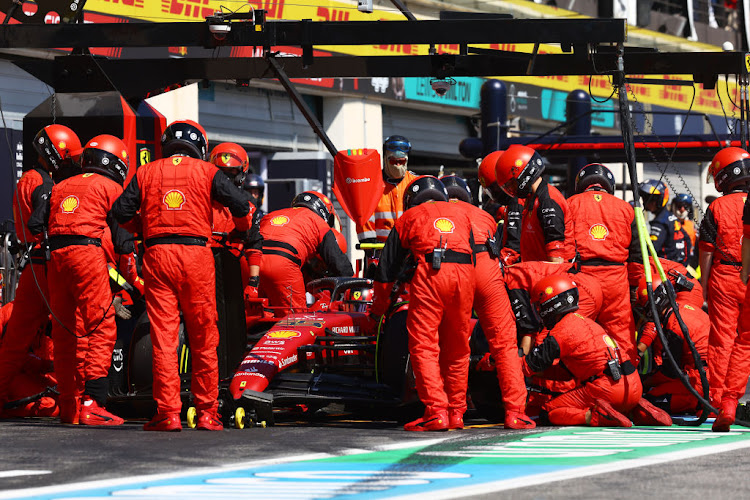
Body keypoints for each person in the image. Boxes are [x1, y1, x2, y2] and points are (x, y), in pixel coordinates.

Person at [112, 119, 257, 432]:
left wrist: (144, 230)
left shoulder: (145, 172)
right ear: (201, 147)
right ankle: (207, 413)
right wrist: (241, 233)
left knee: (164, 339)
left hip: (157, 255)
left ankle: (168, 414)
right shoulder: (208, 172)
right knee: (205, 337)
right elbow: (244, 207)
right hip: (196, 256)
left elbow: (120, 213)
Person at [28, 134, 131, 425]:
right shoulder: (110, 187)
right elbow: (123, 235)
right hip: (87, 253)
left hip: (55, 258)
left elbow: (35, 223)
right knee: (100, 325)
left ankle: (69, 408)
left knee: (64, 333)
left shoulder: (59, 186)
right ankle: (94, 403)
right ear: (116, 163)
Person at [371, 176, 476, 431]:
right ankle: (456, 412)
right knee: (458, 348)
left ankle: (436, 412)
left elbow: (386, 271)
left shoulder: (409, 217)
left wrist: (378, 311)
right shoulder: (462, 215)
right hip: (465, 277)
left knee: (424, 345)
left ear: (410, 201)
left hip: (431, 274)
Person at [441, 175, 534, 430]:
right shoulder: (486, 216)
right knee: (504, 344)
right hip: (488, 269)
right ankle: (516, 412)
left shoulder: (436, 213)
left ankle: (455, 412)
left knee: (456, 346)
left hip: (454, 269)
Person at [0, 124, 81, 413]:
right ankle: (73, 403)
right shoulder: (45, 185)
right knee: (65, 332)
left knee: (15, 342)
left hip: (29, 267)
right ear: (57, 154)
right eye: (68, 156)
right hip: (47, 265)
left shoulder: (27, 179)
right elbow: (41, 222)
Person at [523, 275, 671, 427]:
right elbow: (566, 373)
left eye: (539, 306)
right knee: (598, 390)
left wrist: (509, 361)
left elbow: (530, 366)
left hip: (608, 389)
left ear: (550, 305)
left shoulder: (560, 332)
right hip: (632, 385)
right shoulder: (587, 322)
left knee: (548, 413)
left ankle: (596, 417)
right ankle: (635, 411)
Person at [567, 164, 641, 362]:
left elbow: (561, 246)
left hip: (581, 278)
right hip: (616, 280)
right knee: (622, 337)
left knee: (575, 334)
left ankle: (574, 388)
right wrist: (633, 287)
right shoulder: (627, 209)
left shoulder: (570, 204)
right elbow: (637, 254)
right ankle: (628, 385)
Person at [699, 146, 750, 406]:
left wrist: (704, 287)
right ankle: (733, 399)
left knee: (722, 340)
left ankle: (716, 398)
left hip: (725, 276)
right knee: (746, 342)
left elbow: (706, 252)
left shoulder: (717, 206)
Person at [258, 191, 353, 316]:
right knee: (295, 322)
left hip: (252, 264)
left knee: (256, 316)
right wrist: (351, 285)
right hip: (284, 263)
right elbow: (339, 262)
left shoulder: (271, 215)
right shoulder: (318, 223)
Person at [634, 276, 709, 415]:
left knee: (648, 400)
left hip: (700, 380)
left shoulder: (674, 325)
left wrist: (643, 382)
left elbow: (670, 372)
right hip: (713, 375)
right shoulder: (686, 308)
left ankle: (699, 403)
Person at [494, 145, 575, 262]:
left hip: (549, 275)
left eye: (512, 184)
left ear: (524, 175)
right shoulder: (532, 199)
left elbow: (556, 257)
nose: (512, 190)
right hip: (537, 273)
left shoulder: (547, 200)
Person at [356, 135, 418, 242]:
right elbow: (364, 215)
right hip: (379, 250)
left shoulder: (416, 183)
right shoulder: (372, 184)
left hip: (409, 248)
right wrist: (368, 241)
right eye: (393, 162)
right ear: (385, 158)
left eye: (401, 162)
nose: (397, 166)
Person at [476, 150, 522, 265]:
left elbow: (513, 246)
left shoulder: (516, 203)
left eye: (495, 190)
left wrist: (497, 267)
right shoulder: (516, 202)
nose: (494, 197)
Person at [639, 179, 689, 266]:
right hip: (678, 268)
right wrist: (684, 264)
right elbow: (687, 240)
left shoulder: (660, 222)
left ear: (659, 200)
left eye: (650, 198)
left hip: (666, 271)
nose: (646, 201)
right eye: (644, 197)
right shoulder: (672, 218)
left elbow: (650, 251)